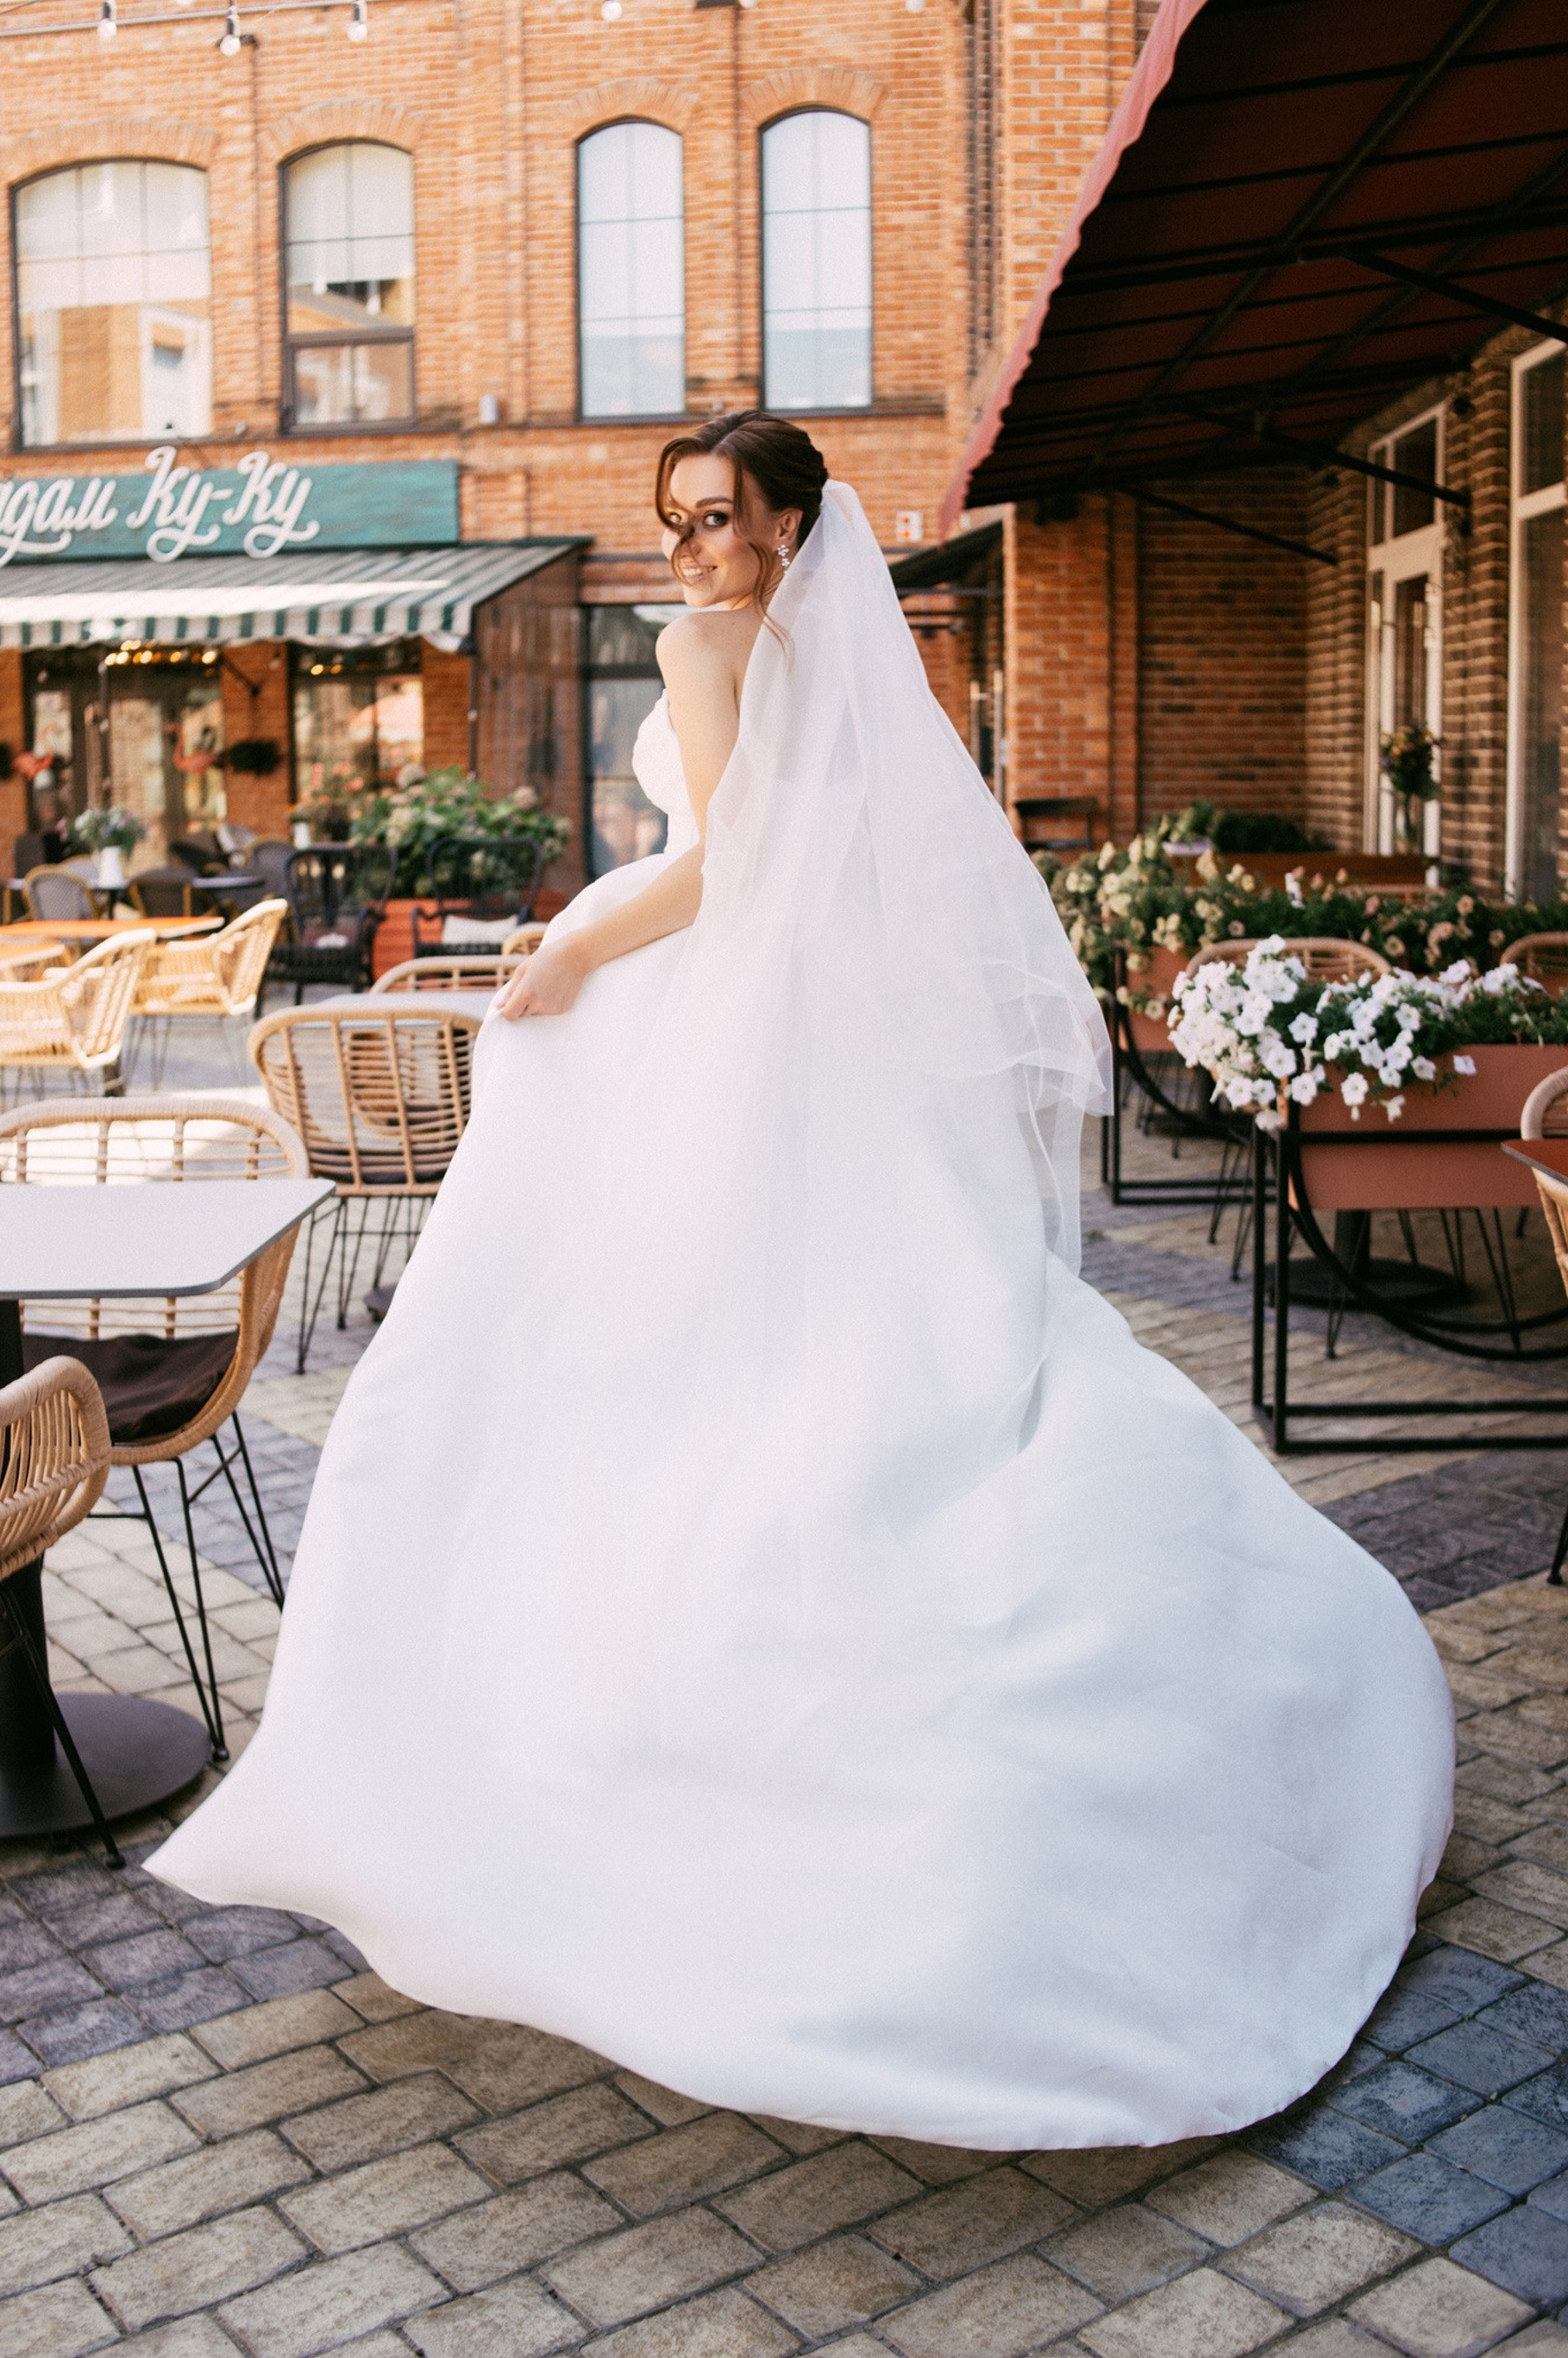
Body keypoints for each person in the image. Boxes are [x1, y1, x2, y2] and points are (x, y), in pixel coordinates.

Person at [152, 412, 1452, 2152]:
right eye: (675, 523)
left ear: (790, 525)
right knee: (855, 1357)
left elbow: (726, 872)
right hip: (802, 1049)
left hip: (721, 1027)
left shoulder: (707, 648)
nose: (692, 552)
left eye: (720, 520)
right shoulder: (860, 659)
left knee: (659, 1377)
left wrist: (564, 944)